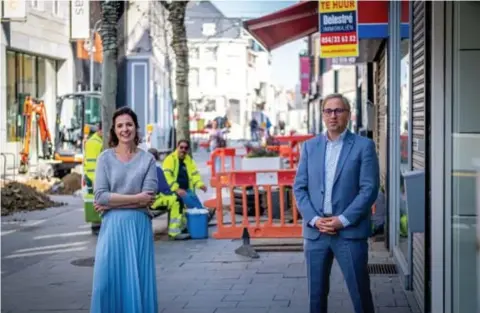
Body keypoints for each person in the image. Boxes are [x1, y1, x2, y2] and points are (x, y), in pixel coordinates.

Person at [293, 93, 380, 313]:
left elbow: (369, 189)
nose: (333, 116)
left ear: (348, 115)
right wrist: (313, 219)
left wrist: (342, 220)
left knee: (360, 294)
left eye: (339, 111)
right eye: (328, 111)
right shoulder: (309, 147)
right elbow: (299, 188)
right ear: (322, 115)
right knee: (316, 296)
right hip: (316, 233)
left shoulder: (364, 146)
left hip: (349, 232)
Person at [91, 107, 158, 313]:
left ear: (136, 128)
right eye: (120, 125)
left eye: (129, 124)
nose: (125, 129)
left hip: (138, 228)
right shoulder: (105, 158)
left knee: (137, 281)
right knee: (106, 282)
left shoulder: (148, 160)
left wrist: (112, 202)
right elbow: (100, 196)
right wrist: (137, 199)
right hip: (112, 229)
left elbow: (149, 196)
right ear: (114, 130)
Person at [162, 140, 207, 239]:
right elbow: (167, 177)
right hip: (174, 191)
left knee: (199, 209)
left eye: (186, 148)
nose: (183, 150)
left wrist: (200, 184)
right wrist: (176, 189)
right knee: (196, 209)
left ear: (188, 149)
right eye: (181, 147)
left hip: (187, 190)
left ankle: (193, 225)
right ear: (177, 147)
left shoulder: (189, 160)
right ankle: (187, 227)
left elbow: (195, 175)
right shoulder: (170, 159)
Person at [83, 122, 103, 235]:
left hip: (93, 176)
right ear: (100, 130)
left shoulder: (96, 141)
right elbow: (92, 164)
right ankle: (96, 226)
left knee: (95, 200)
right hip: (94, 176)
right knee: (95, 200)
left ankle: (97, 225)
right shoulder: (95, 143)